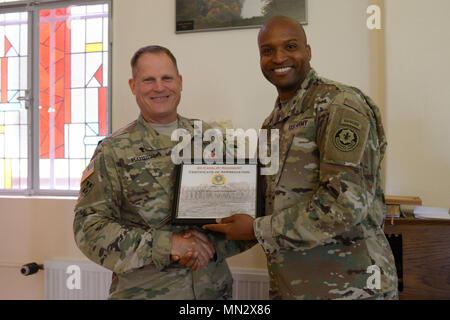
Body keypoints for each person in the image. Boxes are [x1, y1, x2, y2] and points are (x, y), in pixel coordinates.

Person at [204, 16, 398, 300]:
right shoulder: (272, 124)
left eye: (290, 46)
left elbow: (345, 205)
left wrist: (256, 229)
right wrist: (204, 232)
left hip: (350, 288)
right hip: (291, 286)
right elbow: (266, 202)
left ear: (308, 52)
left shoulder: (340, 105)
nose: (279, 57)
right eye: (267, 50)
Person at [73, 45, 246, 299]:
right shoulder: (112, 151)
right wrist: (169, 245)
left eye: (167, 78)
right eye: (148, 80)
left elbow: (241, 211)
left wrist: (207, 246)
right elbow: (89, 228)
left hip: (213, 291)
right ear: (133, 86)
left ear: (180, 82)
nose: (159, 87)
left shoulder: (210, 138)